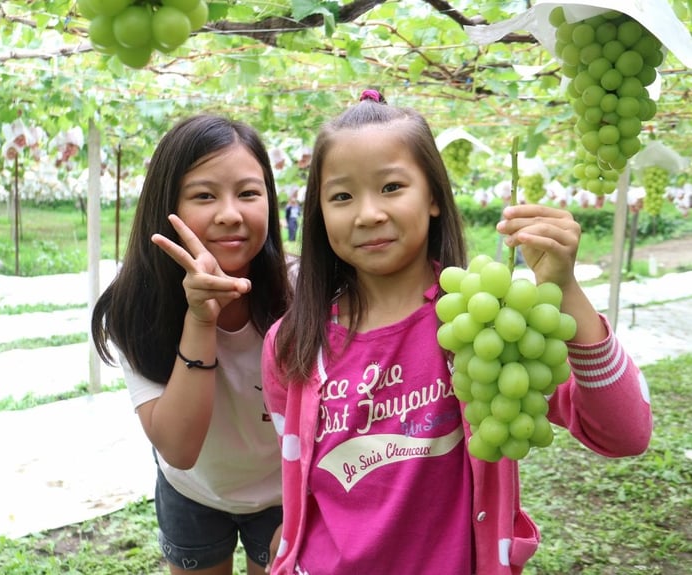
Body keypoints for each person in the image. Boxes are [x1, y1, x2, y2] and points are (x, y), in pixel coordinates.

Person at [260, 91, 652, 575]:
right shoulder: (293, 343)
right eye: (341, 196)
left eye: (391, 187)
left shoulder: (490, 324)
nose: (367, 214)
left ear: (434, 200)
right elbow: (298, 474)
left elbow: (624, 434)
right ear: (319, 214)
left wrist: (565, 289)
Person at [91, 114, 292, 575]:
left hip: (286, 492)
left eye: (248, 193)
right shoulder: (134, 309)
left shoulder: (303, 294)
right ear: (167, 204)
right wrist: (201, 318)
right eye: (204, 195)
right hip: (192, 490)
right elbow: (179, 447)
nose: (230, 213)